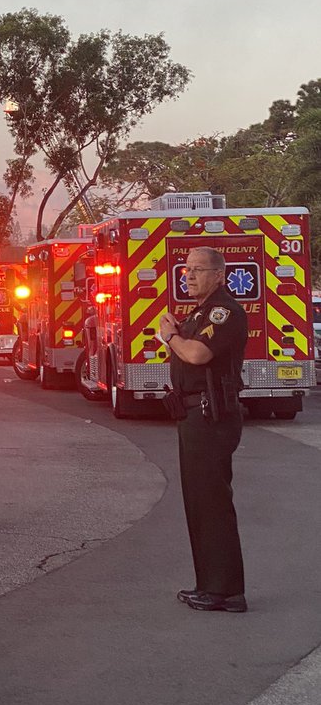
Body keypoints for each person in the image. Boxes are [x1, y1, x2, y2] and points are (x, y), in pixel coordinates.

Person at [159, 247, 248, 613]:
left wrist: (170, 337)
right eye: (186, 269)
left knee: (211, 504)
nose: (189, 275)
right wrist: (179, 332)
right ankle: (210, 584)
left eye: (198, 270)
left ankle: (224, 591)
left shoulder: (223, 311)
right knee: (199, 503)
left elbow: (197, 355)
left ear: (219, 274)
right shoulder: (199, 313)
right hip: (194, 415)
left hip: (210, 416)